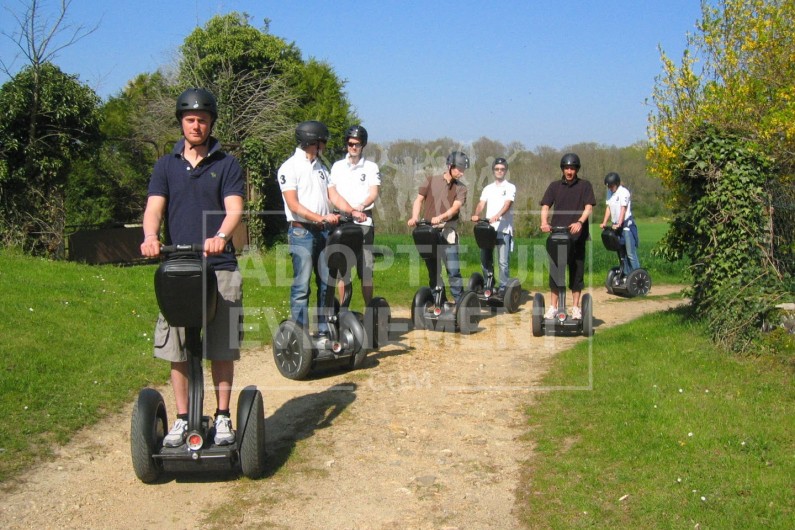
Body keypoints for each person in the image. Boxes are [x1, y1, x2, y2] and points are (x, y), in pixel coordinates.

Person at [140, 88, 245, 448]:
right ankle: (183, 418)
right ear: (181, 123)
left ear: (211, 122)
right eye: (189, 119)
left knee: (221, 347)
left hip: (219, 267)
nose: (195, 125)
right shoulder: (166, 165)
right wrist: (150, 236)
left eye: (201, 119)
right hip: (179, 269)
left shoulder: (227, 164)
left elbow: (234, 210)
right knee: (178, 349)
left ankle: (223, 417)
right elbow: (155, 208)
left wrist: (220, 235)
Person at [278, 120, 365, 337]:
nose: (323, 146)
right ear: (310, 141)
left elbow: (333, 195)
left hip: (324, 232)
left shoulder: (321, 168)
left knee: (327, 283)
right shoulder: (289, 168)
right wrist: (320, 218)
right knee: (302, 287)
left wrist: (351, 211)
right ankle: (299, 335)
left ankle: (325, 330)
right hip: (301, 232)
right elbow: (293, 204)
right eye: (321, 142)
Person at [539, 152, 596, 320]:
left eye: (572, 168)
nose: (569, 171)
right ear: (562, 169)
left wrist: (580, 222)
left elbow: (589, 208)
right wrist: (544, 222)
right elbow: (545, 206)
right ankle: (553, 307)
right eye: (566, 168)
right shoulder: (555, 186)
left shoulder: (585, 186)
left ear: (576, 169)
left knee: (576, 272)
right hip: (558, 236)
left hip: (577, 237)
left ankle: (576, 308)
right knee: (556, 272)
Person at [407, 151, 469, 304]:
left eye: (463, 170)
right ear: (450, 166)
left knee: (453, 270)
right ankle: (438, 301)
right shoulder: (431, 181)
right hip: (429, 232)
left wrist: (441, 217)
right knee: (433, 271)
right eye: (459, 169)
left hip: (447, 231)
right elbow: (418, 200)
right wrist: (415, 217)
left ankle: (460, 304)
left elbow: (455, 208)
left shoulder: (461, 188)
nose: (461, 173)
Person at [329, 125, 381, 305]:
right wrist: (348, 210)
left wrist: (361, 206)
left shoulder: (371, 167)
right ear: (346, 144)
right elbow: (332, 192)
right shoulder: (337, 167)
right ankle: (344, 311)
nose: (353, 147)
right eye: (350, 144)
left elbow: (374, 192)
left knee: (365, 268)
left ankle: (370, 310)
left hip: (364, 222)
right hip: (343, 221)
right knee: (343, 270)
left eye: (357, 144)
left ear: (363, 146)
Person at [470, 157, 516, 291]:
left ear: (506, 170)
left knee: (503, 262)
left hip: (503, 230)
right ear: (493, 171)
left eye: (502, 169)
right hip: (488, 230)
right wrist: (476, 214)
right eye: (497, 169)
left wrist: (498, 215)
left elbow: (508, 204)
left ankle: (503, 288)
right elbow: (481, 203)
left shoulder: (510, 187)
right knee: (485, 260)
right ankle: (488, 284)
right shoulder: (488, 188)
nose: (499, 171)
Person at [599, 172, 641, 275]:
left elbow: (623, 208)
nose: (609, 188)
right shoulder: (609, 193)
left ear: (616, 184)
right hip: (616, 226)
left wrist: (619, 223)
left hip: (626, 225)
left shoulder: (624, 192)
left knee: (630, 253)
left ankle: (637, 275)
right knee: (621, 253)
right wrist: (604, 222)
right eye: (608, 186)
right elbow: (608, 208)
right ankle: (626, 276)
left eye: (611, 186)